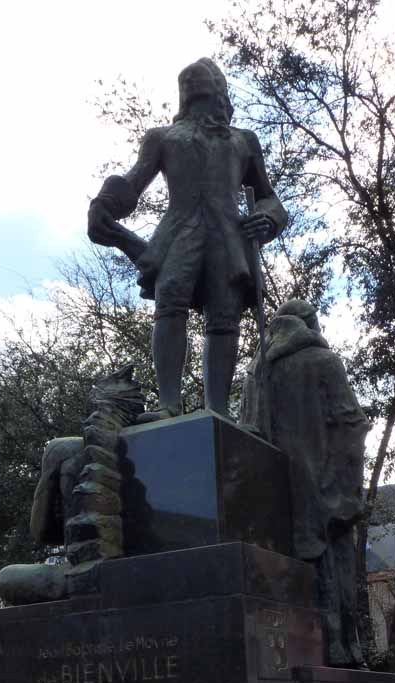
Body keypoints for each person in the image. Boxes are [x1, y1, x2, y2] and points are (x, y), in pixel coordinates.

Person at [88, 58, 288, 419]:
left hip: (228, 236)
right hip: (179, 232)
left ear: (221, 97)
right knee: (170, 303)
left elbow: (269, 197)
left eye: (208, 95)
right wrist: (105, 203)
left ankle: (219, 410)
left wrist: (267, 219)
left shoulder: (244, 141)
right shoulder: (163, 138)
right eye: (196, 96)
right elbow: (131, 186)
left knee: (224, 317)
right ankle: (168, 404)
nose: (204, 105)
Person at [240, 300, 370, 666]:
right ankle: (340, 650)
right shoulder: (324, 362)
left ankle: (300, 655)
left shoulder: (258, 372)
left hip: (274, 493)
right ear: (311, 324)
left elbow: (247, 428)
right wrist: (346, 487)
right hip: (323, 486)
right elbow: (350, 423)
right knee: (334, 569)